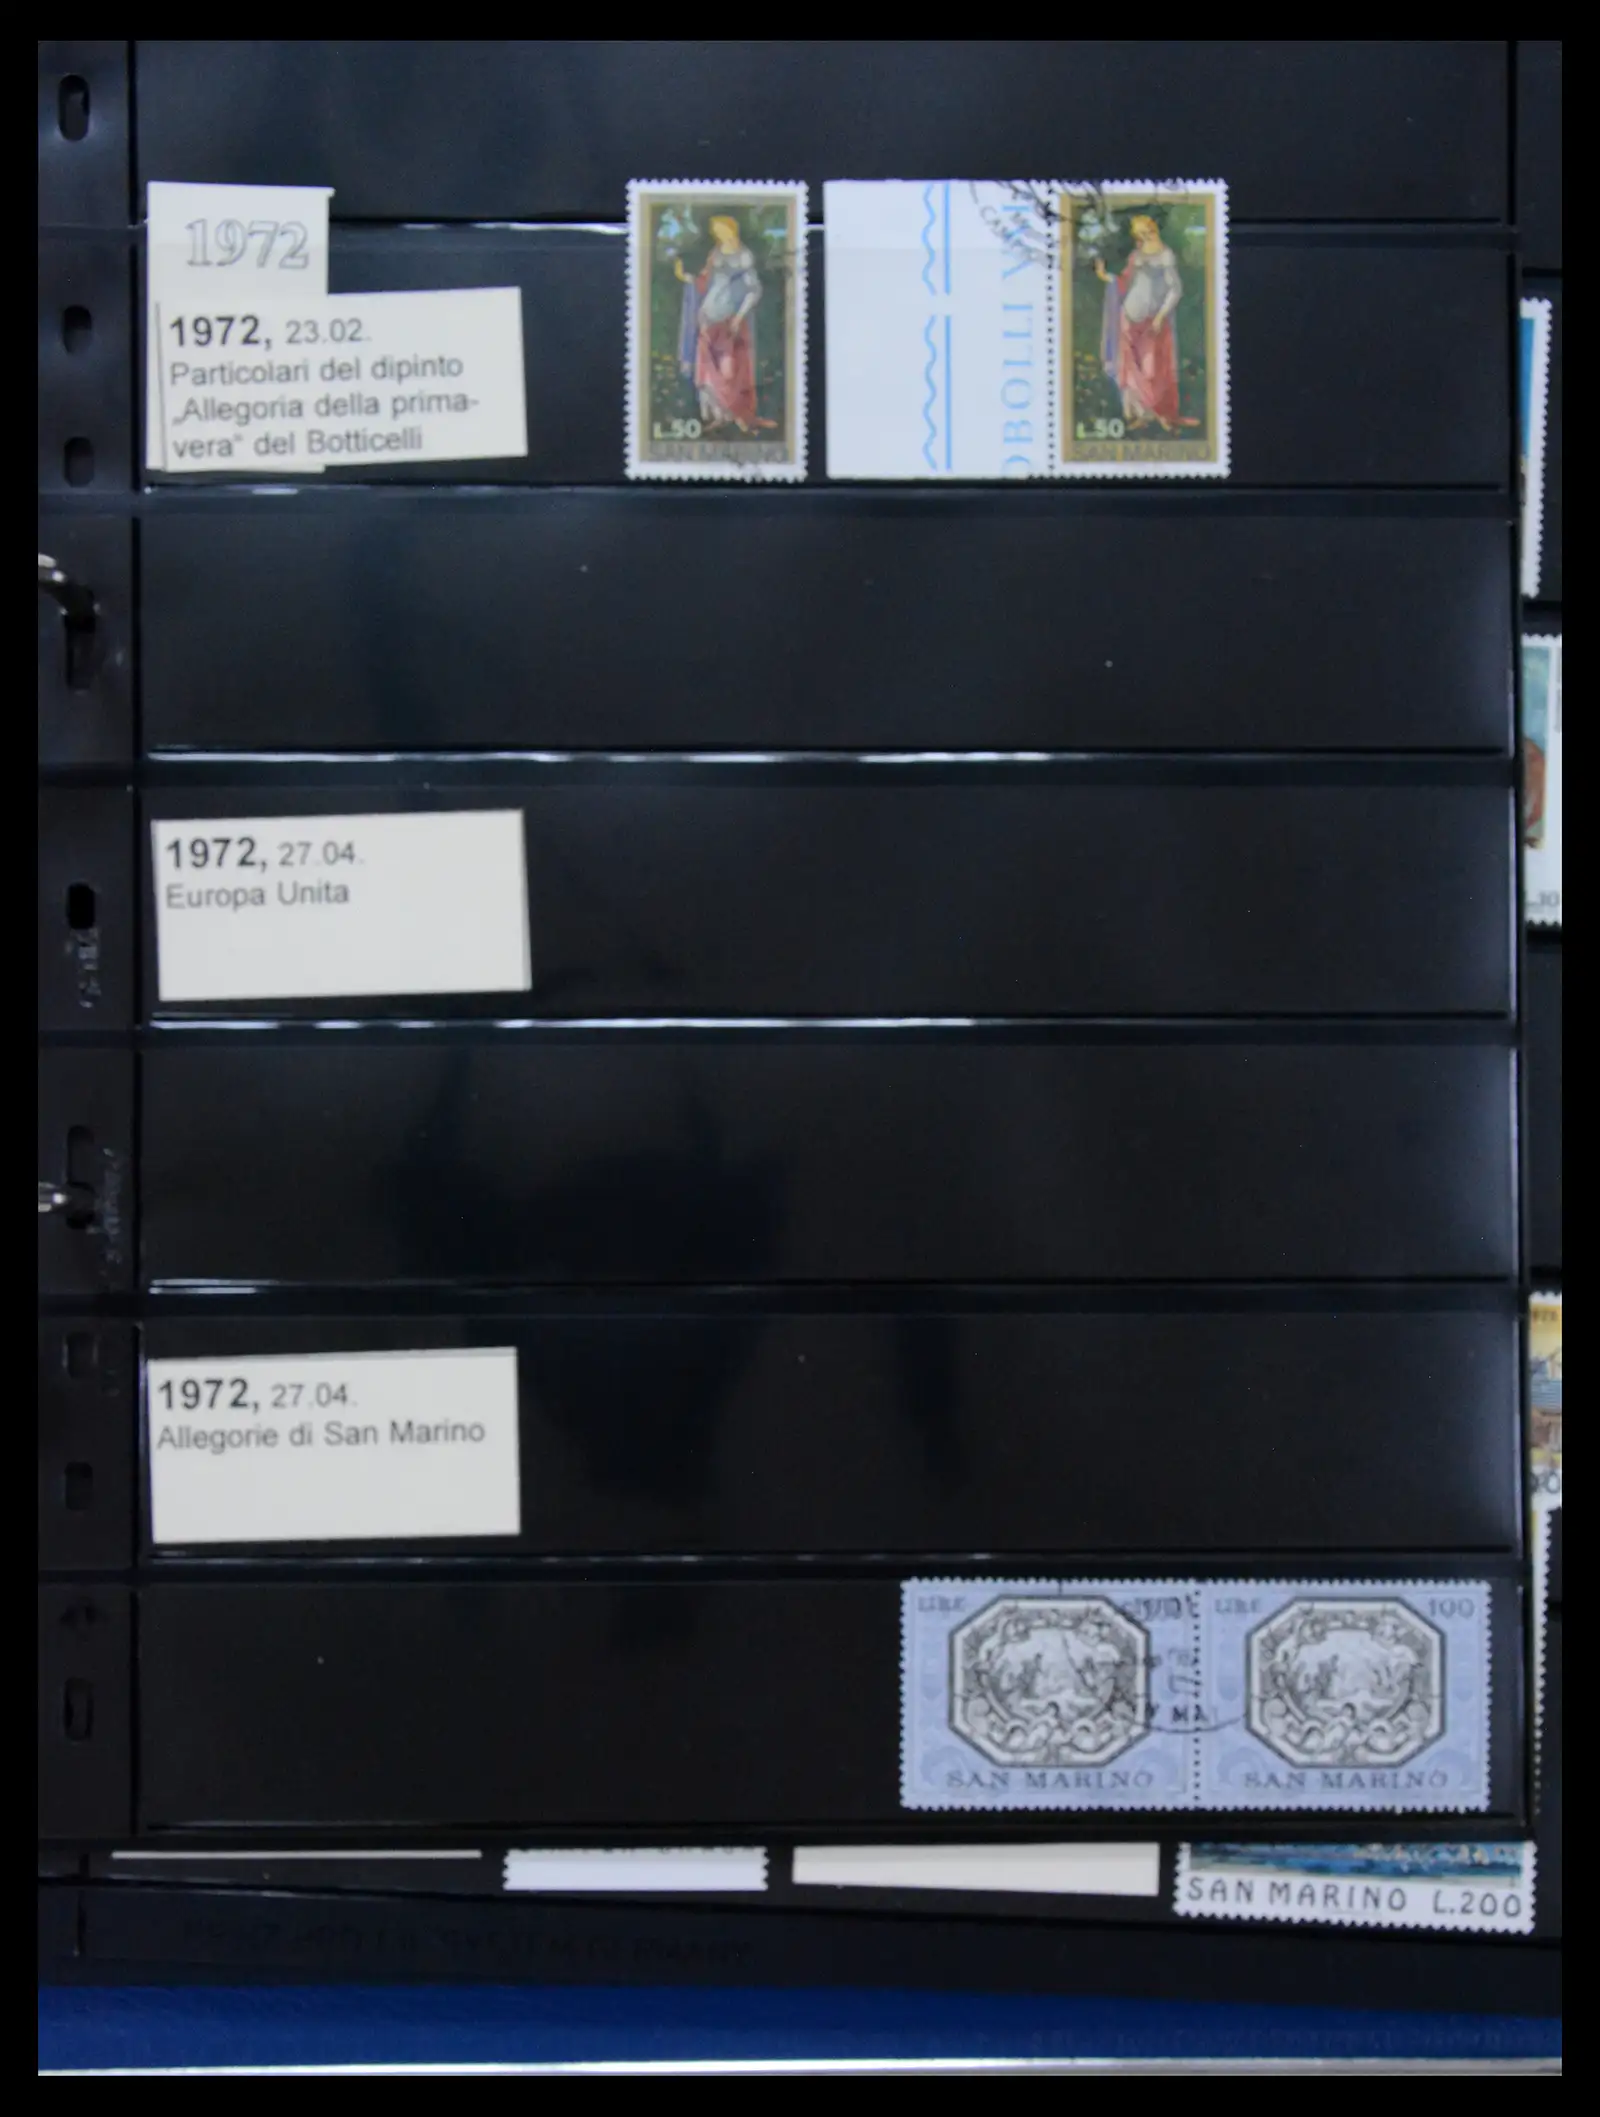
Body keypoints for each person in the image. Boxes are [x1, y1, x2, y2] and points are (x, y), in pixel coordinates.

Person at [1095, 213, 1199, 434]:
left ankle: (1159, 414)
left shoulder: (1165, 256)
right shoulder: (1136, 255)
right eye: (1138, 235)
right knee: (1130, 367)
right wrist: (1106, 277)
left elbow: (1175, 290)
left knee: (1152, 369)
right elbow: (1125, 283)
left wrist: (1161, 316)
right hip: (1128, 316)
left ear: (1154, 230)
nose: (1142, 239)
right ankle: (1140, 415)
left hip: (1152, 320)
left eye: (1145, 233)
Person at [675, 214, 776, 434]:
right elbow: (705, 283)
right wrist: (687, 278)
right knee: (707, 370)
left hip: (729, 320)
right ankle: (717, 416)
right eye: (715, 231)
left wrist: (739, 317)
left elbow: (754, 290)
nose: (718, 234)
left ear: (731, 229)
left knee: (729, 372)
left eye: (720, 230)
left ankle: (737, 416)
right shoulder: (716, 253)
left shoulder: (743, 257)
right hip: (707, 317)